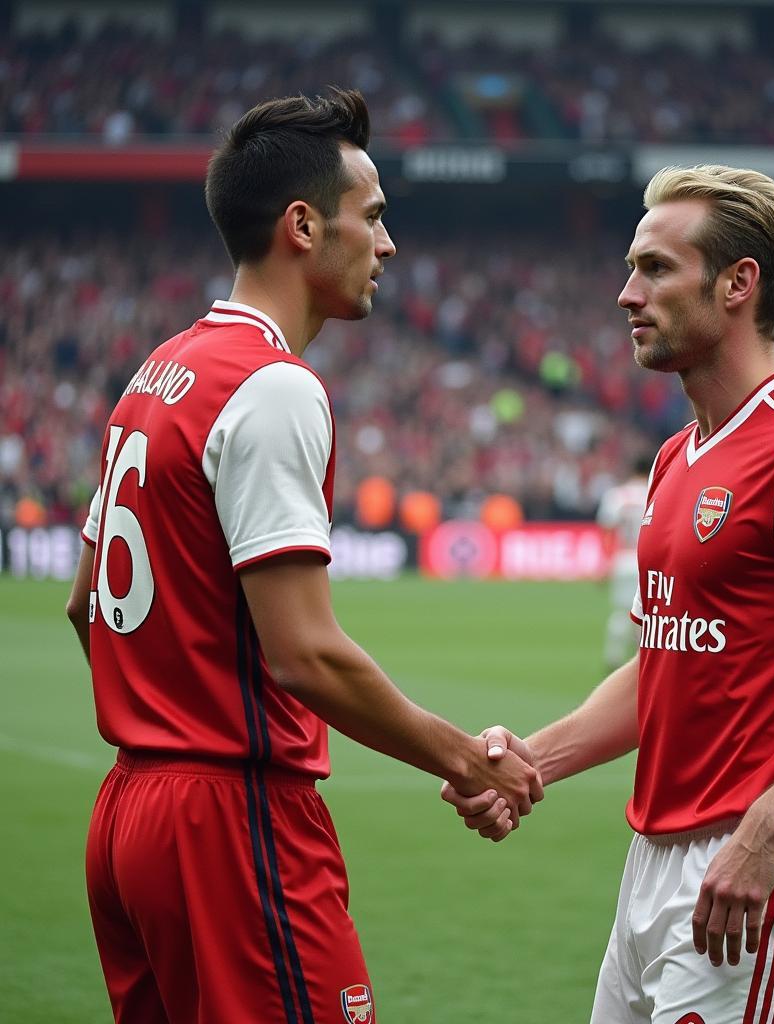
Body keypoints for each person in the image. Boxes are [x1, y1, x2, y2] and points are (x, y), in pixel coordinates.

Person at [64, 89, 541, 1024]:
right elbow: (304, 654)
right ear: (301, 225)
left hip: (129, 812)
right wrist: (462, 758)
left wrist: (164, 718)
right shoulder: (273, 387)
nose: (388, 245)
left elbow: (88, 604)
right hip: (229, 823)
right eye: (373, 217)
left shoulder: (158, 372)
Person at [444, 164, 774, 1024]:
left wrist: (767, 828)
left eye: (654, 268)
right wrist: (536, 761)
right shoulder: (677, 460)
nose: (624, 294)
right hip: (655, 862)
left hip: (763, 865)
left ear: (737, 284)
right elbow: (667, 664)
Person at [596, 454, 652, 667]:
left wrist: (606, 563)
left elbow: (608, 531)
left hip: (622, 558)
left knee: (621, 611)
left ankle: (613, 657)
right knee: (646, 613)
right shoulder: (655, 490)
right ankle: (642, 659)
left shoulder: (616, 495)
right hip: (645, 559)